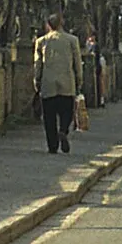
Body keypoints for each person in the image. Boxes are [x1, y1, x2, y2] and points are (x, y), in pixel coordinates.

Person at [35, 10, 82, 156]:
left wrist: (37, 81)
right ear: (62, 24)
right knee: (66, 112)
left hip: (48, 83)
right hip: (67, 82)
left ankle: (52, 146)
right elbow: (77, 63)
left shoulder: (42, 41)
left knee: (49, 117)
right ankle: (63, 131)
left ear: (48, 25)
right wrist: (79, 80)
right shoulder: (72, 40)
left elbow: (37, 64)